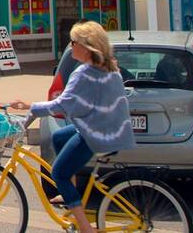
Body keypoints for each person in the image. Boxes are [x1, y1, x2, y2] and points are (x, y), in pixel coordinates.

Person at [9, 21, 134, 233]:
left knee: (59, 173)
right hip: (108, 128)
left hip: (95, 132)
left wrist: (29, 109)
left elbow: (62, 105)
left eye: (73, 41)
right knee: (59, 138)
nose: (70, 45)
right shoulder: (109, 67)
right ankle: (70, 193)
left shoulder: (84, 73)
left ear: (85, 46)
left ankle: (84, 227)